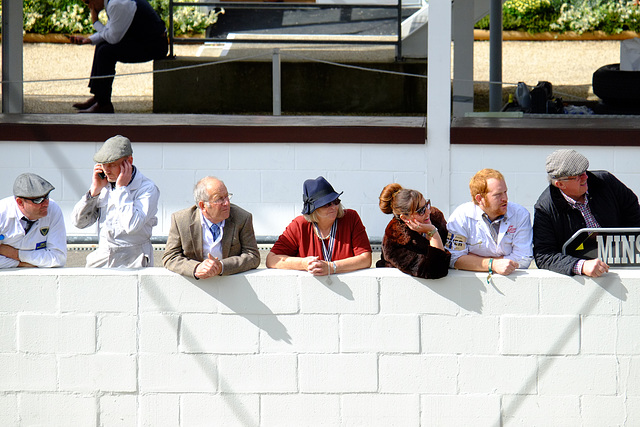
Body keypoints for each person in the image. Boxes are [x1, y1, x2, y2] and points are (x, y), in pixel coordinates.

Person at [533, 149, 640, 277]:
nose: (586, 177)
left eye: (584, 171)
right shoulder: (544, 208)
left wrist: (628, 248)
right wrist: (580, 266)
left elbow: (633, 211)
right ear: (560, 184)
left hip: (625, 263)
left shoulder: (606, 181)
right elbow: (544, 255)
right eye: (578, 176)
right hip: (583, 279)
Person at [71, 135, 160, 268]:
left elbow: (132, 225)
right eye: (103, 165)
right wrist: (94, 192)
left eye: (112, 165)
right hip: (103, 257)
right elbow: (78, 222)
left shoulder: (147, 189)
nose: (106, 170)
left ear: (129, 161)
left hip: (134, 260)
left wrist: (121, 189)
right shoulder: (103, 185)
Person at [69, 0, 168, 113]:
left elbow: (112, 38)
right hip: (146, 40)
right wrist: (89, 40)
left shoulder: (116, 4)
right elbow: (111, 31)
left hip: (155, 45)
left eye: (88, 2)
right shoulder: (113, 2)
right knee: (101, 46)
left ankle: (104, 104)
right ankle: (99, 97)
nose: (90, 7)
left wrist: (95, 22)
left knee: (105, 52)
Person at [266, 176, 372, 275]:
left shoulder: (350, 218)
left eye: (336, 201)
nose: (334, 207)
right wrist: (303, 264)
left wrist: (332, 267)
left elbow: (366, 259)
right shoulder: (299, 225)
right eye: (327, 204)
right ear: (314, 210)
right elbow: (271, 260)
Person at [163, 177, 260, 279]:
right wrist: (196, 268)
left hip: (230, 284)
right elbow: (170, 257)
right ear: (203, 205)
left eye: (227, 196)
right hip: (195, 285)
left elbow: (253, 256)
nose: (226, 203)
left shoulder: (242, 218)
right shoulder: (181, 220)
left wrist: (221, 266)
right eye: (219, 199)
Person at [445, 168, 533, 275]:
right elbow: (454, 258)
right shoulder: (461, 217)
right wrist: (493, 264)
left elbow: (523, 258)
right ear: (479, 199)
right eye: (498, 195)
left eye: (505, 192)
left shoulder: (520, 214)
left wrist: (473, 259)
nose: (505, 198)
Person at [377, 183, 450, 279]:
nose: (428, 212)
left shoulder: (435, 218)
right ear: (404, 218)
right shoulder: (395, 241)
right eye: (421, 210)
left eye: (427, 205)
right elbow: (436, 270)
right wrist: (432, 233)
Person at [0, 173, 67, 268]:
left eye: (46, 197)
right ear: (20, 202)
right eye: (38, 200)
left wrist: (15, 254)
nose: (45, 204)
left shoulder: (53, 209)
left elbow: (58, 258)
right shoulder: (2, 213)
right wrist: (20, 264)